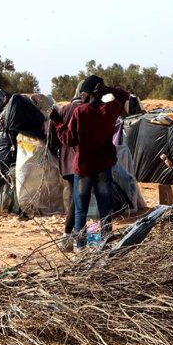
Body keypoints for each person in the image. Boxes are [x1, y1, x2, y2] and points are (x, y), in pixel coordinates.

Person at [50, 75, 129, 250]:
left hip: (84, 167)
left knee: (81, 209)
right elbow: (124, 95)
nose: (81, 96)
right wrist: (108, 89)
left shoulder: (81, 112)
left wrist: (57, 122)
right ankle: (102, 245)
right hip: (103, 166)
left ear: (88, 93)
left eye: (83, 93)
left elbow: (69, 139)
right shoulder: (110, 110)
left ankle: (80, 247)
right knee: (104, 209)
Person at [49, 80, 85, 252]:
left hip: (65, 161)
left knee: (72, 197)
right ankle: (70, 237)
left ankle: (69, 238)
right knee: (77, 202)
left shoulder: (64, 109)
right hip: (80, 161)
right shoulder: (85, 109)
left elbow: (52, 131)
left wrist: (57, 150)